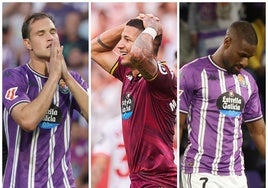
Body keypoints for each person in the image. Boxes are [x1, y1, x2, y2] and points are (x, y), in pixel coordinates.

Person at [2, 12, 88, 187]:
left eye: (53, 32)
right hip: (21, 183)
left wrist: (67, 78)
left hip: (62, 182)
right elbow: (28, 120)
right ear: (28, 43)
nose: (50, 38)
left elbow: (94, 116)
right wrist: (54, 76)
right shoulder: (13, 77)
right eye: (41, 34)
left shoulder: (73, 80)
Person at [91, 13, 177, 187]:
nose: (120, 45)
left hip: (159, 180)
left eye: (127, 40)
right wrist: (129, 24)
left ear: (148, 43)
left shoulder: (162, 79)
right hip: (138, 180)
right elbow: (94, 49)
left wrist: (151, 28)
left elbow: (139, 54)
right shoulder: (129, 75)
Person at [179, 20, 266, 188]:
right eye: (241, 54)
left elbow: (259, 132)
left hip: (236, 174)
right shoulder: (191, 73)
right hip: (200, 170)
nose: (245, 63)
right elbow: (177, 125)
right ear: (227, 42)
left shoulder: (248, 82)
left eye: (248, 57)